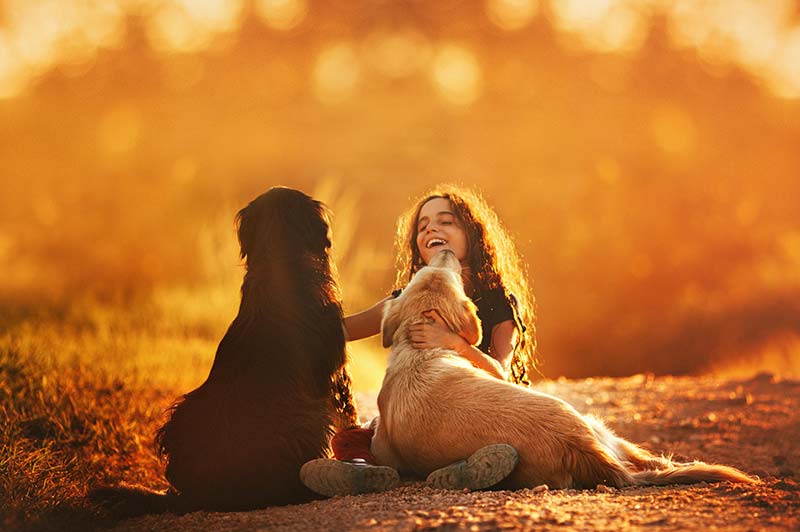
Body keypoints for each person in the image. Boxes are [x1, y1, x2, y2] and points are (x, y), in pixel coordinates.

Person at [300, 185, 538, 496]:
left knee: (503, 444)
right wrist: (292, 309)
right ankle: (362, 470)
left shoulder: (498, 304)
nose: (432, 228)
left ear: (472, 234)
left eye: (446, 221)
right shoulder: (406, 300)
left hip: (477, 414)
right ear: (418, 246)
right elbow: (339, 332)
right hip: (420, 420)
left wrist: (455, 343)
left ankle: (460, 469)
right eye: (423, 226)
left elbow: (501, 375)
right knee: (357, 436)